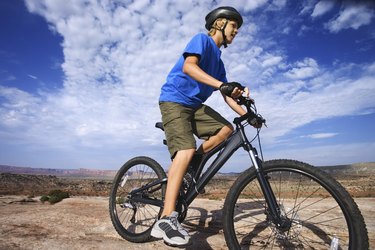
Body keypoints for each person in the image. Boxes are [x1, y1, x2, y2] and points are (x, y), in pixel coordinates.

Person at [150, 6, 250, 247]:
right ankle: (166, 218)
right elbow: (189, 67)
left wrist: (247, 112)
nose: (236, 31)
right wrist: (221, 85)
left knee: (227, 130)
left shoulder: (220, 62)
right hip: (174, 100)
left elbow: (226, 94)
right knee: (184, 150)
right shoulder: (202, 40)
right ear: (219, 23)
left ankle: (193, 161)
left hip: (194, 106)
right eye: (234, 26)